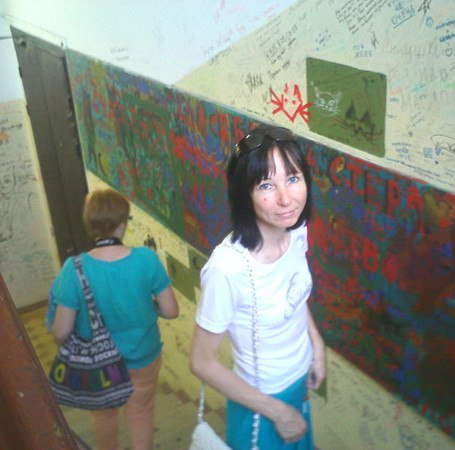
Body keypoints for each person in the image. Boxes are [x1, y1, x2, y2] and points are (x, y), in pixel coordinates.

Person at [190, 125, 326, 449]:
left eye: (292, 178)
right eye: (266, 185)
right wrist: (278, 412)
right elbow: (201, 362)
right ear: (244, 194)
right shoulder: (228, 269)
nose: (286, 199)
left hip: (297, 384)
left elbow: (293, 293)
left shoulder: (296, 231)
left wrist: (317, 346)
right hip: (262, 404)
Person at [51, 188, 179, 450]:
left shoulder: (73, 268)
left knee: (104, 417)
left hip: (97, 363)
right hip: (143, 356)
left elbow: (61, 331)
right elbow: (171, 311)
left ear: (90, 225)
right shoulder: (146, 259)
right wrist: (147, 306)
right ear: (122, 224)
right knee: (141, 414)